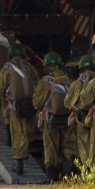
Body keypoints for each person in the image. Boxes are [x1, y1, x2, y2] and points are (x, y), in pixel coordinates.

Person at [0, 43, 39, 176]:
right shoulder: (30, 68)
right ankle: (27, 150)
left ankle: (19, 164)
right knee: (28, 132)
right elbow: (38, 84)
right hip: (31, 106)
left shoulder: (7, 68)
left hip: (16, 107)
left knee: (18, 134)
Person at [34, 51, 74, 181]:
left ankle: (52, 174)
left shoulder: (45, 82)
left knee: (51, 146)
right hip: (67, 119)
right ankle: (71, 172)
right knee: (69, 145)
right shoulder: (69, 80)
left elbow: (36, 103)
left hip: (50, 120)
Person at [65, 54, 95, 168]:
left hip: (82, 120)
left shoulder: (77, 83)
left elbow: (67, 103)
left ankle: (88, 171)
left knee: (84, 147)